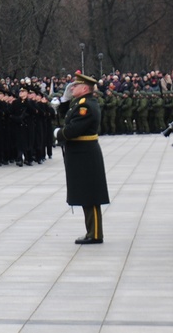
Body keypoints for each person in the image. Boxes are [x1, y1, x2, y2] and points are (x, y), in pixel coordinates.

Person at [54, 73, 110, 244]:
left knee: (90, 195)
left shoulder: (86, 105)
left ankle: (95, 234)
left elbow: (73, 129)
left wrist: (59, 134)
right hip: (80, 152)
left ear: (85, 88)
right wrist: (64, 100)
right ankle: (91, 232)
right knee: (86, 194)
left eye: (76, 86)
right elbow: (66, 116)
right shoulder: (79, 102)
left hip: (85, 153)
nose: (72, 88)